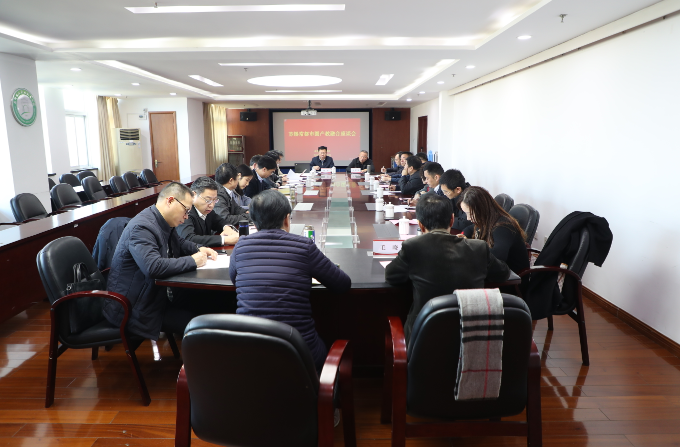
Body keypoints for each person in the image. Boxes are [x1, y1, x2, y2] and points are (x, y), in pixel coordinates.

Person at [229, 189, 351, 371]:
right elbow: (342, 284)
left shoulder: (240, 247)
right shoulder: (304, 246)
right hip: (299, 353)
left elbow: (235, 280)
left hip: (250, 352)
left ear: (254, 221)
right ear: (287, 219)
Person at [385, 194, 511, 341]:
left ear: (420, 224)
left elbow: (391, 276)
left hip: (424, 337)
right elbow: (503, 273)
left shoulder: (412, 246)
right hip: (470, 335)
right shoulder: (479, 248)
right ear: (452, 219)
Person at [102, 182, 218, 340]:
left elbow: (179, 242)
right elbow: (153, 267)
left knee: (211, 300)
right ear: (170, 201)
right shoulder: (142, 227)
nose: (186, 216)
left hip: (156, 296)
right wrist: (193, 261)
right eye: (186, 210)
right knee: (199, 324)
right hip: (136, 307)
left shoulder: (162, 220)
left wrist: (198, 248)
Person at [459, 186, 530, 277]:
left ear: (482, 208)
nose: (468, 218)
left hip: (511, 279)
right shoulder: (488, 219)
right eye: (466, 213)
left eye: (470, 213)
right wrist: (463, 235)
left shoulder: (503, 227)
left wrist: (469, 249)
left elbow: (495, 259)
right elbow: (469, 229)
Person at [177, 176, 240, 247]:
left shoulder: (207, 210)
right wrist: (224, 239)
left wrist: (227, 228)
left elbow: (219, 222)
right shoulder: (185, 212)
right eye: (208, 200)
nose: (212, 205)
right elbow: (189, 238)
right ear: (194, 195)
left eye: (215, 200)